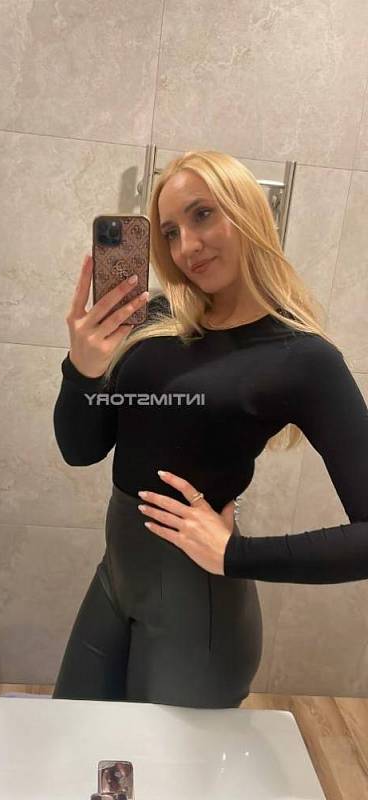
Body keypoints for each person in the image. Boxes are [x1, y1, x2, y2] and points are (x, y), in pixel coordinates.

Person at [52, 150, 368, 708]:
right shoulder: (156, 319)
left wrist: (234, 554)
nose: (187, 247)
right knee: (71, 737)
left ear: (249, 210)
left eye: (203, 215)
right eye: (170, 232)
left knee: (158, 763)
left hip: (198, 611)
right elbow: (80, 449)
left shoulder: (303, 357)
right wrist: (83, 369)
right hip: (114, 578)